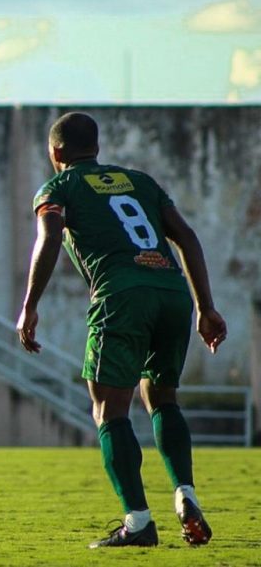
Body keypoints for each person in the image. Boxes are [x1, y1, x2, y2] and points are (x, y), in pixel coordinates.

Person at [16, 112, 227, 548]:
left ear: (55, 152)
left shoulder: (57, 188)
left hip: (122, 296)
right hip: (172, 293)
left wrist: (29, 305)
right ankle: (185, 494)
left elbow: (50, 237)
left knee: (109, 409)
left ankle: (138, 522)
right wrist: (206, 308)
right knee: (162, 397)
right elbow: (186, 237)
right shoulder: (140, 182)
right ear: (96, 147)